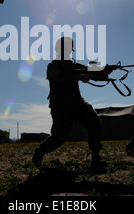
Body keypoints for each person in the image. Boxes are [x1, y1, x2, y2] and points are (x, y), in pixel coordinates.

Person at [32, 37, 109, 171]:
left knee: (94, 123)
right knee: (59, 137)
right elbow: (61, 78)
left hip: (77, 102)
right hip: (60, 105)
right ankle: (40, 152)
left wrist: (103, 72)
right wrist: (79, 77)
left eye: (68, 49)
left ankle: (96, 159)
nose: (67, 52)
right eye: (64, 48)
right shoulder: (52, 66)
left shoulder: (75, 66)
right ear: (58, 50)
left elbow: (90, 72)